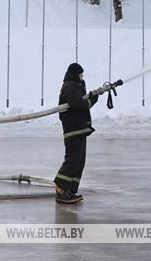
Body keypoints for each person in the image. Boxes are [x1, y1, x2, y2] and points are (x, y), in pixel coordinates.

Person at [54, 63, 98, 204]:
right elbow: (77, 104)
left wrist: (88, 94)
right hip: (73, 130)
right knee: (73, 160)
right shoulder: (70, 87)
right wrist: (92, 100)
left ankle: (70, 190)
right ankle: (61, 190)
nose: (82, 76)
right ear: (75, 74)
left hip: (79, 130)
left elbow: (79, 100)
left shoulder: (75, 86)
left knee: (79, 161)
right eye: (80, 74)